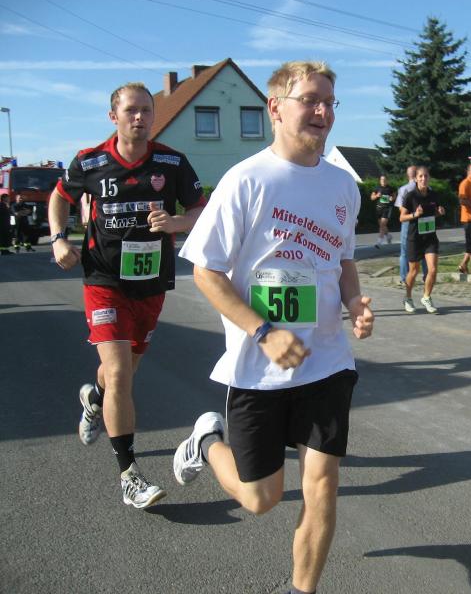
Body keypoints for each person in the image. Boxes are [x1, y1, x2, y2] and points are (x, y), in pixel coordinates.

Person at [173, 61, 374, 594]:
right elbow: (206, 271)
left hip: (326, 361)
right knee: (261, 498)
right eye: (310, 100)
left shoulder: (343, 186)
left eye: (329, 102)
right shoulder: (245, 180)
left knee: (322, 485)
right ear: (275, 108)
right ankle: (207, 439)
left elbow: (343, 259)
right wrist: (264, 331)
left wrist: (354, 302)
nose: (322, 111)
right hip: (257, 367)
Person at [49, 81, 206, 509]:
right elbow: (59, 198)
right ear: (113, 116)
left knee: (124, 372)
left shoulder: (171, 162)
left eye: (146, 110)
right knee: (119, 373)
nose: (140, 117)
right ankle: (129, 476)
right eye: (131, 110)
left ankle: (93, 399)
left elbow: (200, 209)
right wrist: (59, 239)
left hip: (151, 282)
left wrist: (176, 223)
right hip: (103, 281)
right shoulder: (90, 161)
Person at [400, 165, 445, 314]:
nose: (423, 179)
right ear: (416, 178)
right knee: (414, 271)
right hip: (415, 238)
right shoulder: (410, 196)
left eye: (426, 176)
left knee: (432, 269)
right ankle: (408, 298)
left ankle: (426, 297)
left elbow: (435, 212)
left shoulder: (434, 195)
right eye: (420, 176)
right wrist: (415, 214)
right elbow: (402, 217)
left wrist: (439, 212)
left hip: (430, 237)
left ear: (429, 177)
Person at [395, 165, 426, 284]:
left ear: (408, 175)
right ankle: (427, 276)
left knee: (404, 252)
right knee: (425, 248)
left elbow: (400, 209)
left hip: (408, 221)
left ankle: (404, 278)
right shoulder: (427, 187)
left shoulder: (404, 189)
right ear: (417, 175)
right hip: (424, 221)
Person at [370, 174, 395, 247]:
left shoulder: (390, 189)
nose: (383, 181)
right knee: (382, 225)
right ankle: (389, 236)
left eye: (384, 180)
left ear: (387, 180)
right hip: (379, 209)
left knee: (382, 225)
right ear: (380, 181)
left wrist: (392, 198)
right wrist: (376, 196)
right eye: (382, 180)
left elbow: (394, 196)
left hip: (387, 209)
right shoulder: (377, 188)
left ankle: (379, 242)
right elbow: (372, 198)